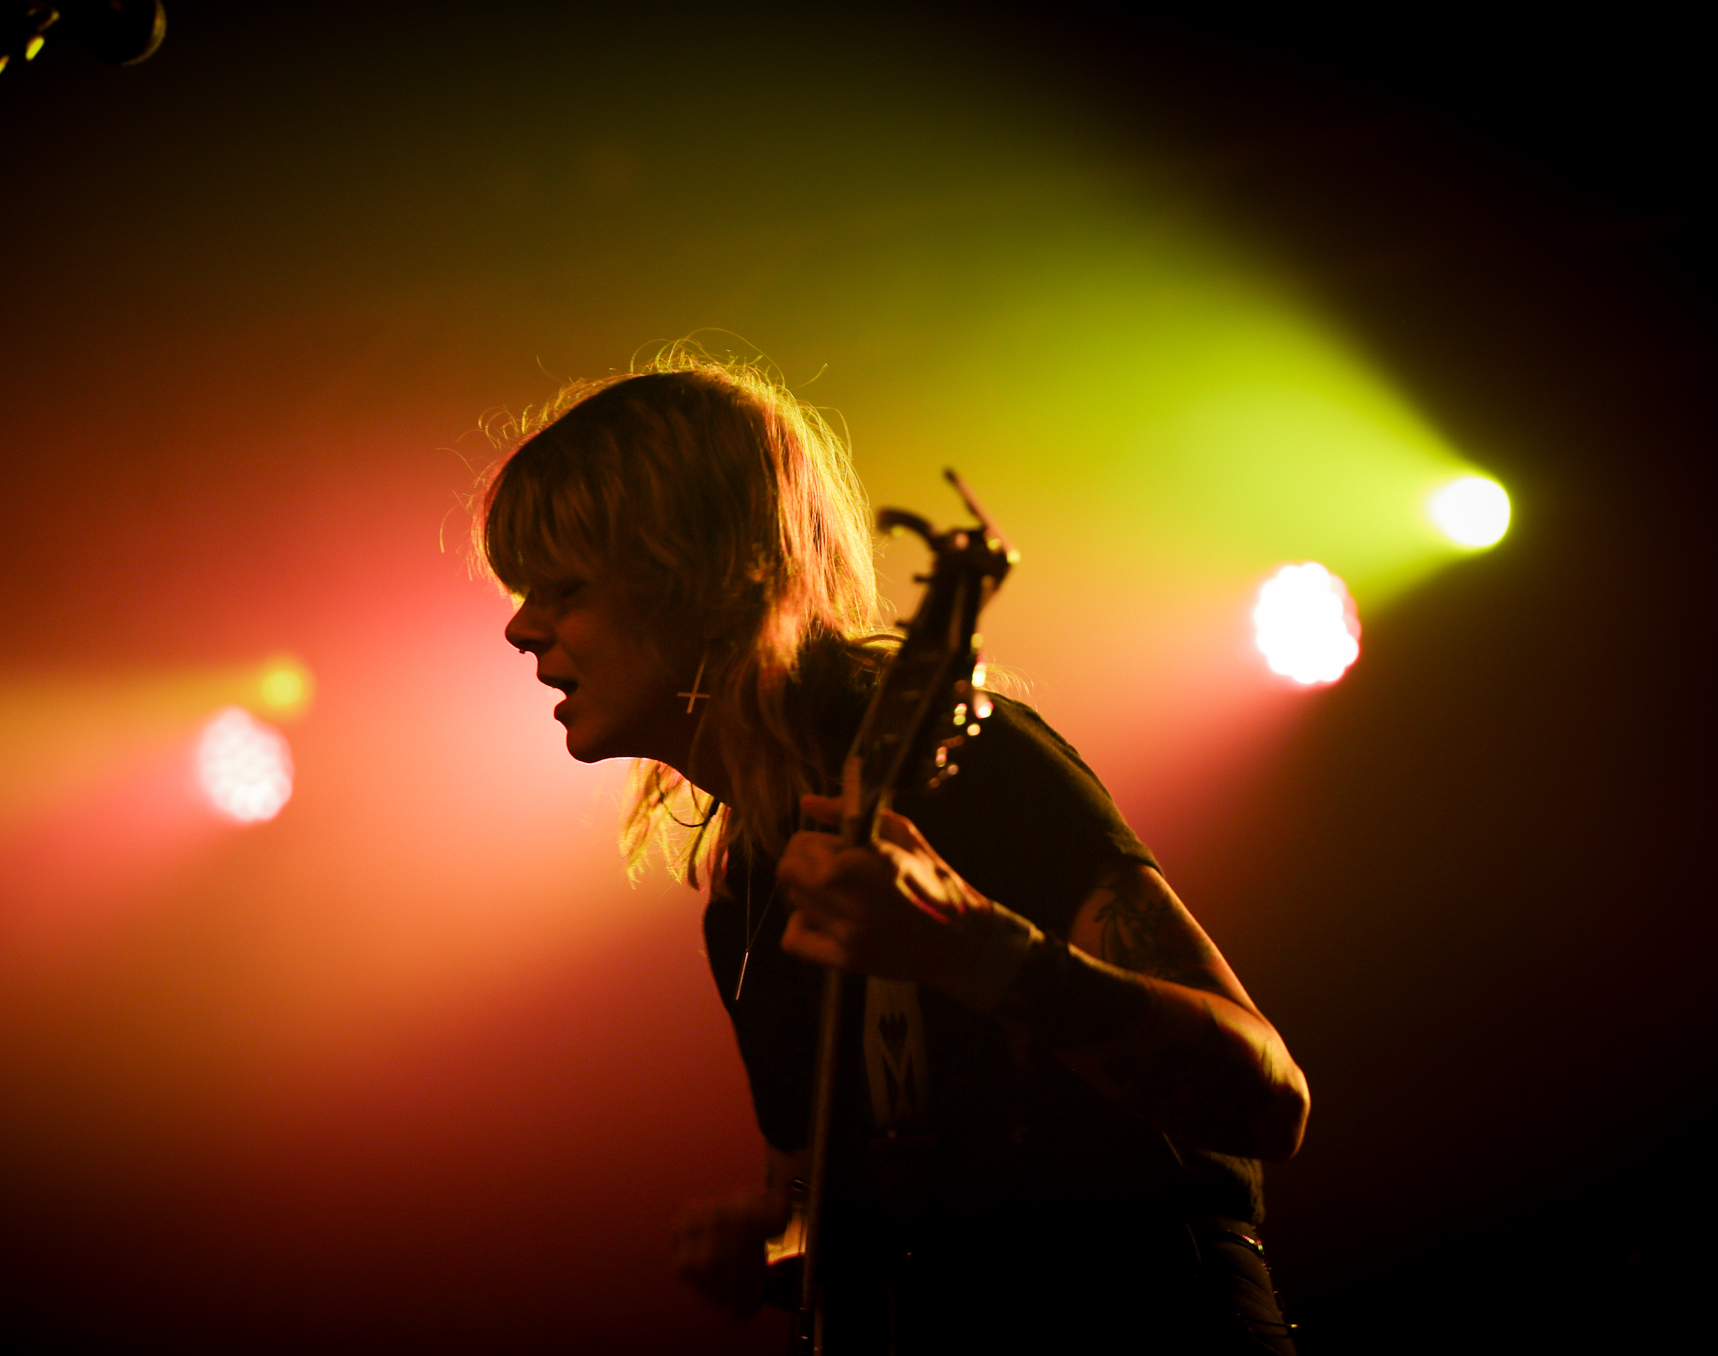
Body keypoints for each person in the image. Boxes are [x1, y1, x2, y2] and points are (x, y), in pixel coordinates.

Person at [473, 350, 1309, 1353]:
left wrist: (971, 948)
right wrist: (774, 1236)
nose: (522, 629)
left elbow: (1263, 1096)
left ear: (695, 578)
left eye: (561, 589)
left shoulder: (952, 769)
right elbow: (834, 1191)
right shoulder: (746, 887)